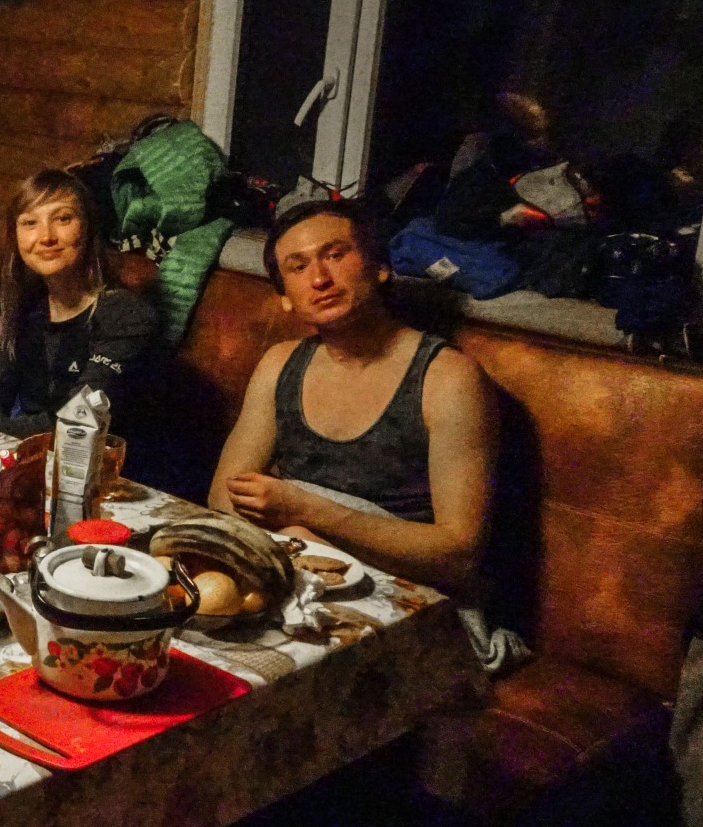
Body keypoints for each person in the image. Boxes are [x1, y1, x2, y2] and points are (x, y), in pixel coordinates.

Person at [207, 199, 498, 591]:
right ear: (286, 298)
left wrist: (309, 513)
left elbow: (459, 554)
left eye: (335, 255)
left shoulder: (446, 378)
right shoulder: (280, 364)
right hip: (296, 567)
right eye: (298, 266)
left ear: (379, 268)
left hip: (404, 592)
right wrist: (297, 537)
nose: (320, 279)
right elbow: (223, 497)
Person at [0, 169, 157, 439]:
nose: (46, 236)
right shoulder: (22, 305)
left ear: (88, 228)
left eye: (63, 219)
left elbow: (77, 424)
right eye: (30, 223)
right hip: (26, 453)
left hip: (97, 466)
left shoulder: (126, 315)